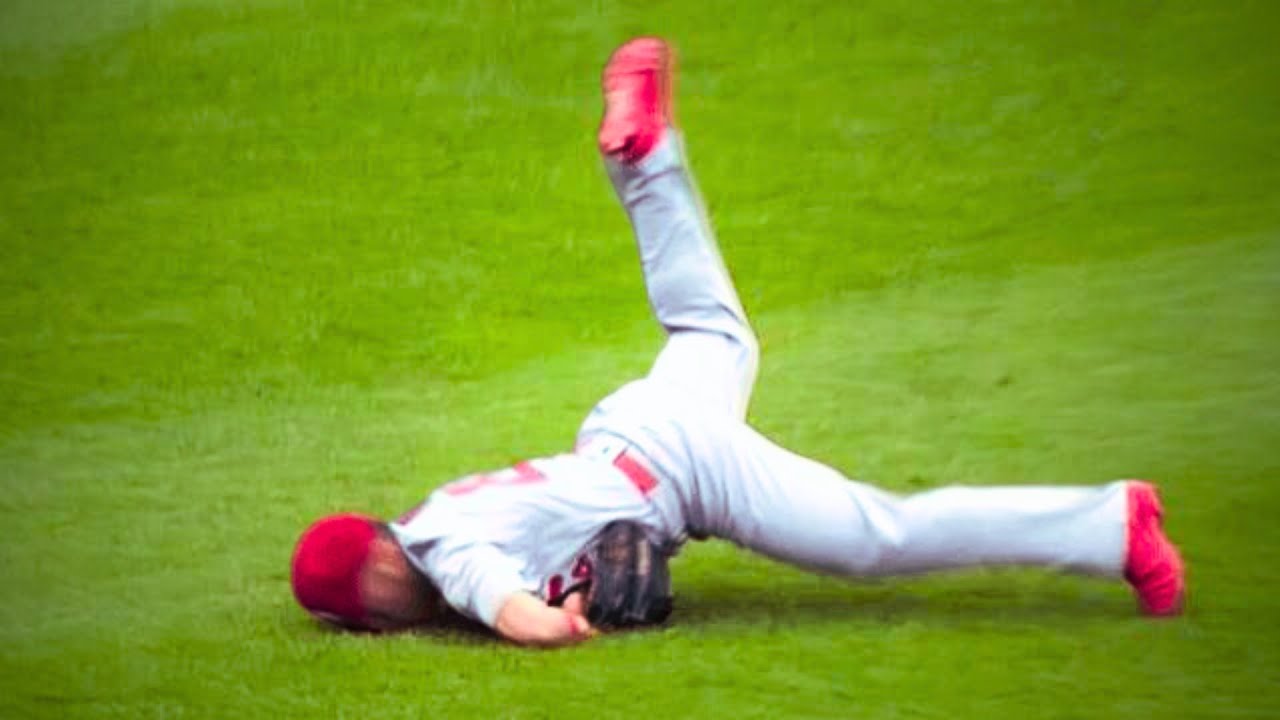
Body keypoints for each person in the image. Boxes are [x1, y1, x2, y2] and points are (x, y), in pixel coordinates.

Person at [289, 37, 1186, 647]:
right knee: (713, 332)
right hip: (632, 428)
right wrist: (589, 576)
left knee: (874, 537)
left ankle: (1113, 528)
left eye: (364, 604)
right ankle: (645, 161)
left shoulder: (447, 556)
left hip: (683, 468)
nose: (377, 617)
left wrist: (564, 622)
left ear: (377, 568)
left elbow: (521, 614)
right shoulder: (440, 513)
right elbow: (545, 554)